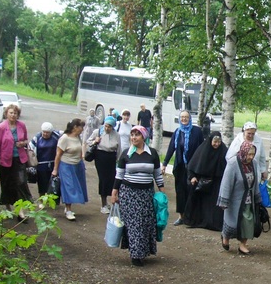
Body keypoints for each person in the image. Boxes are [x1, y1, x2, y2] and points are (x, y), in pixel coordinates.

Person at [111, 125, 165, 266]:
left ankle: (141, 251)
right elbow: (119, 174)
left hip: (146, 195)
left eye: (137, 135)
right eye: (132, 135)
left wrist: (162, 192)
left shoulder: (152, 153)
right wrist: (114, 191)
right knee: (134, 224)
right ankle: (135, 255)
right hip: (129, 194)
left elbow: (157, 175)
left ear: (144, 137)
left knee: (145, 224)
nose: (134, 138)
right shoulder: (126, 154)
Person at [217, 141, 262, 254]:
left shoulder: (254, 163)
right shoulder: (233, 163)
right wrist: (224, 200)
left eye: (253, 154)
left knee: (248, 221)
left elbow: (255, 181)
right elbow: (226, 183)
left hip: (248, 199)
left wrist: (257, 197)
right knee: (232, 223)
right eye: (249, 154)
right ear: (243, 152)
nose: (251, 157)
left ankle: (242, 244)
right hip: (235, 200)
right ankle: (225, 237)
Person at [0, 103, 33, 221]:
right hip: (5, 160)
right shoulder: (1, 127)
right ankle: (8, 207)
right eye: (11, 113)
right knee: (7, 184)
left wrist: (22, 143)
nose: (13, 115)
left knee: (20, 183)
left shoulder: (22, 126)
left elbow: (26, 140)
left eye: (15, 113)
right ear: (6, 113)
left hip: (19, 159)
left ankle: (20, 211)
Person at [164, 110, 204, 226]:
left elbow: (202, 148)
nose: (184, 119)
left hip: (194, 167)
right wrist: (165, 163)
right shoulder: (177, 132)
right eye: (182, 117)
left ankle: (191, 217)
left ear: (190, 118)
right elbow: (171, 148)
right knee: (180, 191)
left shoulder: (196, 131)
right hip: (180, 167)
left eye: (186, 117)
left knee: (192, 191)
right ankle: (181, 216)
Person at [183, 133, 228, 231]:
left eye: (219, 142)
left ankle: (213, 223)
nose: (217, 144)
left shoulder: (223, 151)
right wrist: (192, 177)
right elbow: (193, 165)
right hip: (203, 183)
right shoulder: (203, 150)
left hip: (217, 183)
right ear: (210, 141)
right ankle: (200, 221)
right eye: (215, 142)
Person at [52, 118, 89, 221]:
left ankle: (68, 208)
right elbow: (58, 155)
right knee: (69, 187)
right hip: (66, 166)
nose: (82, 129)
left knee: (77, 186)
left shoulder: (78, 137)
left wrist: (82, 162)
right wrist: (55, 169)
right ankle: (68, 210)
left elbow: (79, 151)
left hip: (77, 165)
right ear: (75, 127)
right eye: (81, 127)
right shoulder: (64, 138)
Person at [87, 115, 121, 214]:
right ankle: (103, 204)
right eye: (106, 126)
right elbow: (88, 141)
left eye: (109, 126)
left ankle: (111, 203)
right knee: (103, 179)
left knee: (112, 179)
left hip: (111, 158)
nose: (107, 128)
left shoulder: (116, 135)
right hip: (100, 157)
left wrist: (119, 161)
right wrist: (95, 141)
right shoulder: (98, 132)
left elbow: (119, 149)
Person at [29, 122, 61, 201]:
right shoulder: (37, 137)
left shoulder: (56, 136)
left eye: (47, 132)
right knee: (42, 183)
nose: (45, 134)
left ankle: (52, 199)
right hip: (41, 165)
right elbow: (30, 148)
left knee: (53, 182)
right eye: (44, 132)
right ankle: (41, 199)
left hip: (53, 163)